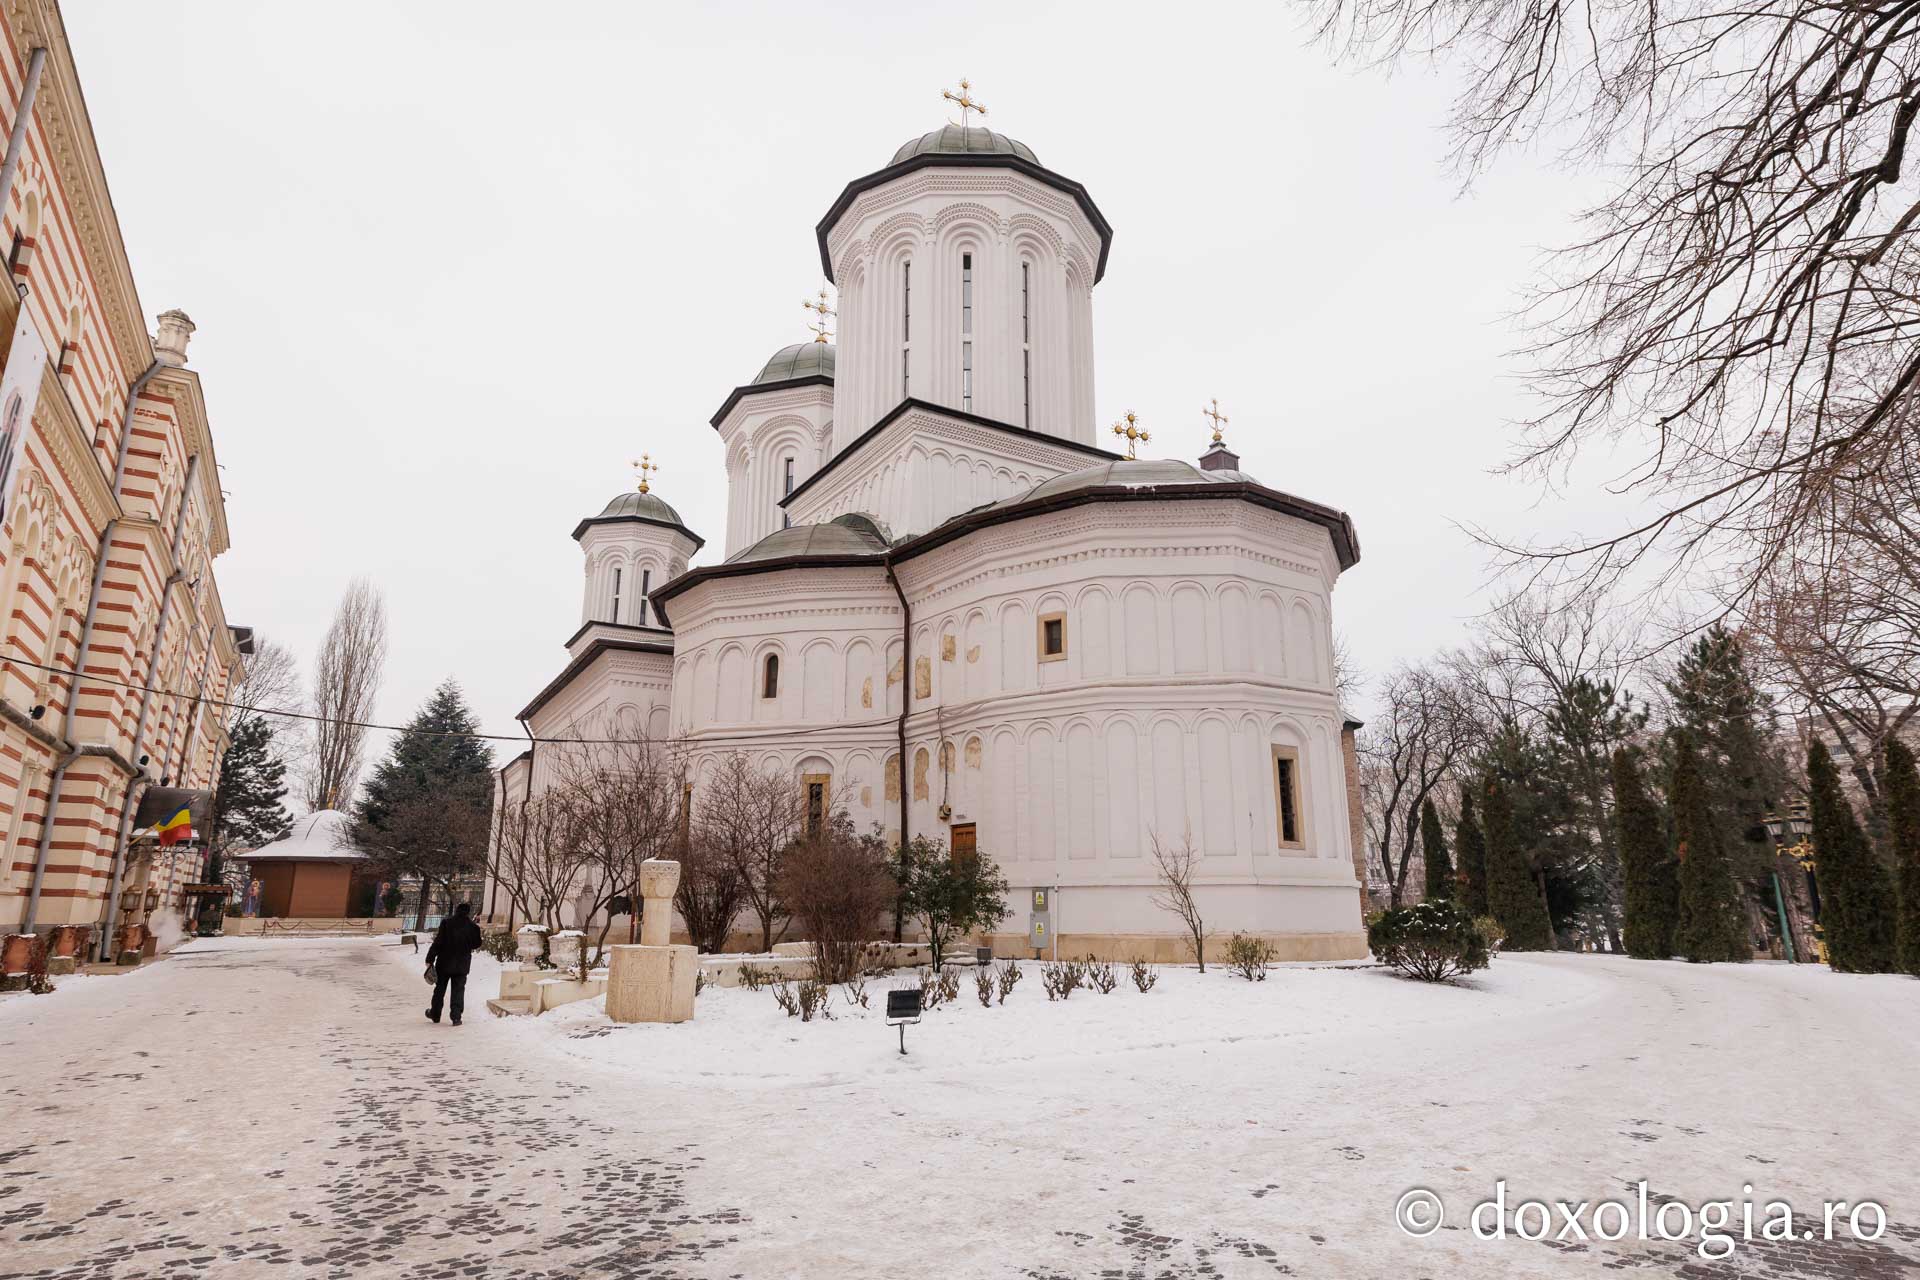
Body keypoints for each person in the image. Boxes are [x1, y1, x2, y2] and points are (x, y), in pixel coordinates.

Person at [425, 902, 484, 1025]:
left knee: (439, 989)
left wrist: (430, 959)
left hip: (444, 963)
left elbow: (438, 942)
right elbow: (477, 944)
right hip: (462, 964)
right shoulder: (473, 927)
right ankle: (456, 1017)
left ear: (456, 910)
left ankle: (435, 1014)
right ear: (468, 912)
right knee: (458, 990)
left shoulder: (447, 923)